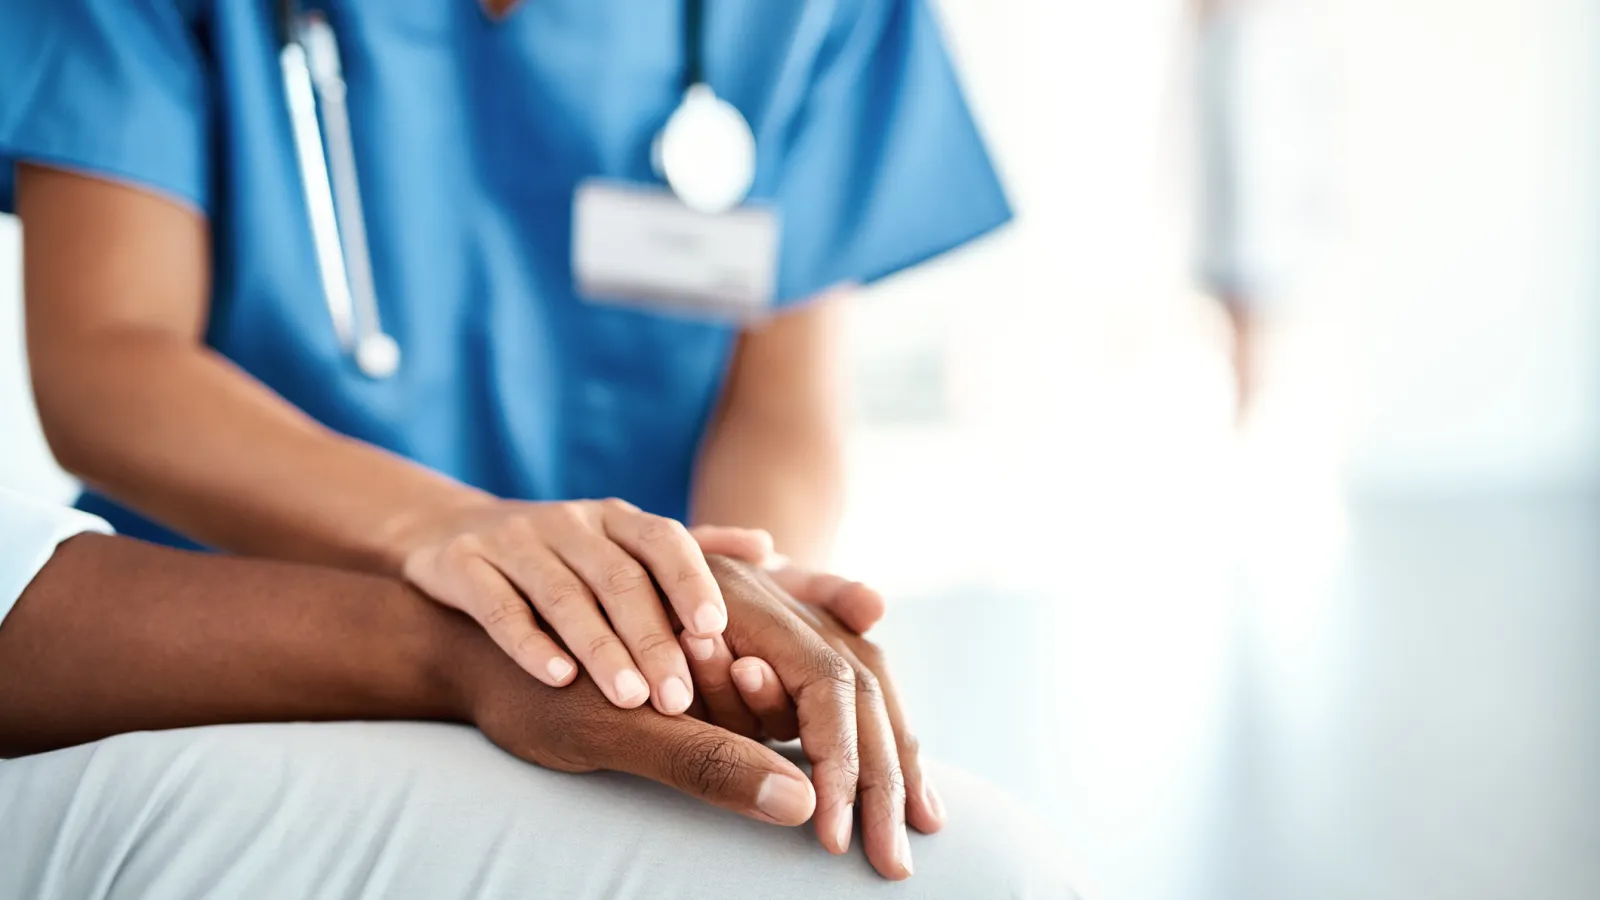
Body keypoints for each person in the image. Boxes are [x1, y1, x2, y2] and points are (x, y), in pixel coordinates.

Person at [0, 0, 1011, 723]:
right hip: (231, 661)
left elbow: (778, 401)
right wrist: (464, 537)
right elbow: (107, 361)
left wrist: (716, 611)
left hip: (622, 681)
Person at [0, 487, 1074, 897]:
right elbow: (113, 355)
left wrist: (702, 601)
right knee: (970, 878)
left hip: (590, 625)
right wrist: (460, 637)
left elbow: (782, 366)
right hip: (212, 630)